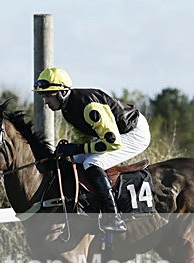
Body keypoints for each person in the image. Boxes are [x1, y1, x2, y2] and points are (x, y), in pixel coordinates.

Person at [33, 67, 151, 232]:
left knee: (92, 162)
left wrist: (78, 148)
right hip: (113, 135)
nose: (45, 101)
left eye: (48, 95)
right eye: (43, 95)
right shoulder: (67, 110)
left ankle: (114, 217)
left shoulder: (89, 106)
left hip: (134, 132)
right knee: (74, 160)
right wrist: (71, 151)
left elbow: (112, 142)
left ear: (62, 92)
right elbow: (84, 139)